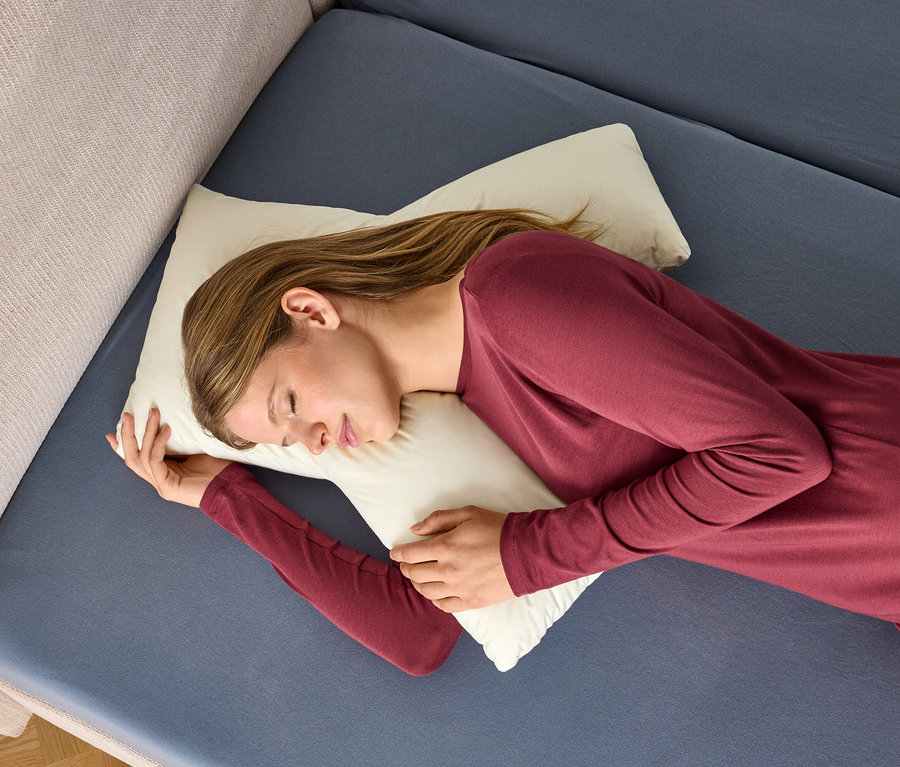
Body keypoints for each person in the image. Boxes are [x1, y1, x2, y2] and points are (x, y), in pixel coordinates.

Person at [108, 208, 900, 674]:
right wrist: (224, 493)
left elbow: (782, 452)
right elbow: (418, 634)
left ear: (312, 311)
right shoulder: (461, 409)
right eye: (288, 442)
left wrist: (528, 555)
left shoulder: (514, 295)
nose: (315, 443)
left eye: (290, 402)